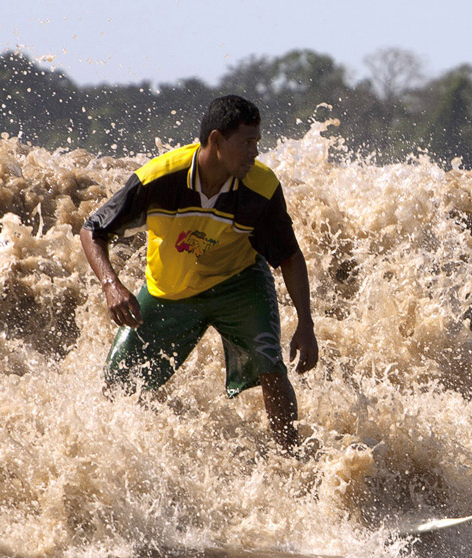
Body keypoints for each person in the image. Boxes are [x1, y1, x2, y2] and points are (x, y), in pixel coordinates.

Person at [80, 94, 317, 455]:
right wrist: (112, 285)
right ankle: (119, 461)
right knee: (117, 383)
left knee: (271, 366)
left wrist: (306, 323)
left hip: (238, 284)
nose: (255, 153)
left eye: (258, 142)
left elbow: (289, 256)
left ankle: (292, 462)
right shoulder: (160, 179)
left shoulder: (260, 188)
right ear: (217, 141)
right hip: (169, 292)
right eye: (247, 143)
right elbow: (92, 229)